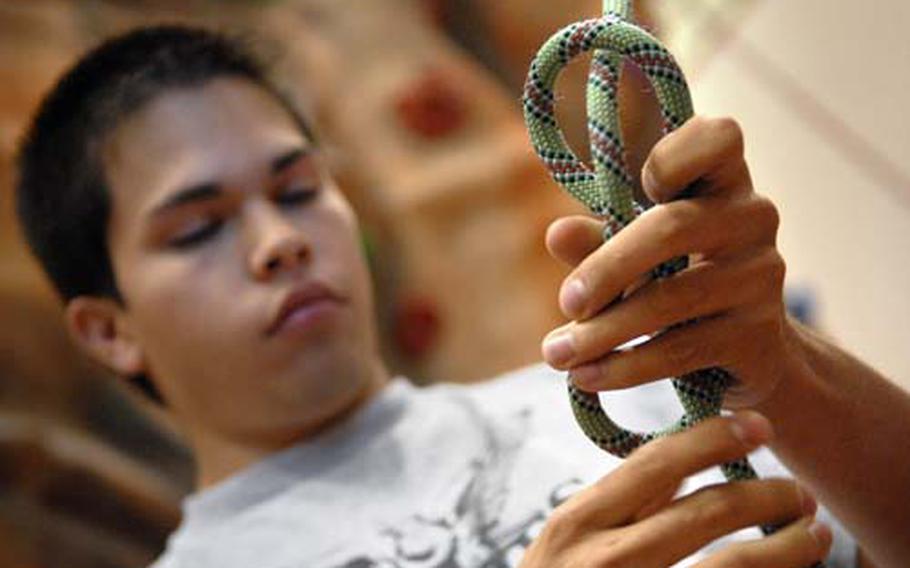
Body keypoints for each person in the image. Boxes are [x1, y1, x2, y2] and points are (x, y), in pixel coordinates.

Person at [14, 25, 910, 568]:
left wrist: (783, 368)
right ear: (107, 331)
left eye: (296, 191)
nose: (280, 240)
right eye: (199, 228)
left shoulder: (640, 390)